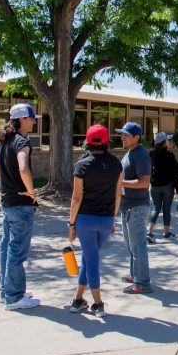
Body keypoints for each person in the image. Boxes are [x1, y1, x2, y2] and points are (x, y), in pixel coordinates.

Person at [0, 103, 42, 310]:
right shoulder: (22, 142)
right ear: (22, 120)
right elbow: (23, 168)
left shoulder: (3, 141)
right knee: (17, 251)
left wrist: (7, 183)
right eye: (32, 118)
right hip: (21, 205)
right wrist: (31, 192)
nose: (34, 121)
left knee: (7, 248)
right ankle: (14, 297)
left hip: (7, 203)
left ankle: (7, 290)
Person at [67, 124, 123, 317]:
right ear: (107, 141)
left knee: (91, 260)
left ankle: (98, 304)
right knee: (88, 257)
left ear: (87, 142)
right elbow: (117, 195)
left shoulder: (82, 165)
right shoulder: (116, 164)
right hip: (106, 220)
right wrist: (113, 218)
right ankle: (78, 300)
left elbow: (76, 198)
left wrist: (71, 223)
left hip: (85, 220)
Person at [115, 122, 154, 294]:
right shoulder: (130, 152)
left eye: (126, 135)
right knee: (131, 245)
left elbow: (144, 182)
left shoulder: (140, 154)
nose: (122, 137)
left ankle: (143, 283)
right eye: (122, 134)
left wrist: (119, 183)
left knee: (138, 246)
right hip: (127, 206)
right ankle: (135, 275)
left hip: (137, 206)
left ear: (136, 137)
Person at [146, 132, 178, 243]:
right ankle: (166, 233)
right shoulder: (169, 156)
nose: (169, 141)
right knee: (166, 210)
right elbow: (174, 175)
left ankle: (149, 232)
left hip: (154, 187)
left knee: (155, 208)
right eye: (168, 140)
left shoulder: (151, 154)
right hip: (167, 187)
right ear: (164, 143)